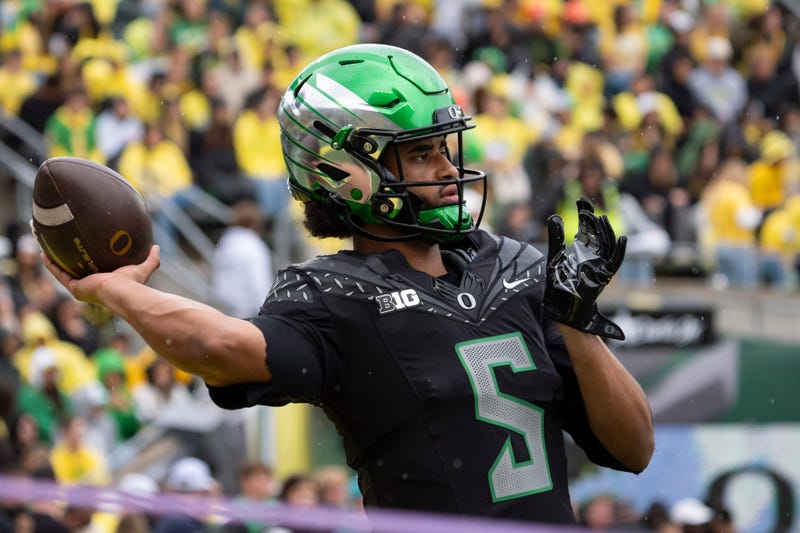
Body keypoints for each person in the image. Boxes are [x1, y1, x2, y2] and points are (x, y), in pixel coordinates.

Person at [43, 44, 654, 525]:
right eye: (420, 155)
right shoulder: (335, 295)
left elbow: (634, 448)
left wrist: (580, 327)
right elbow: (226, 350)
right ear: (345, 173)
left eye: (445, 148)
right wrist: (116, 290)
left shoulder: (516, 266)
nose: (447, 170)